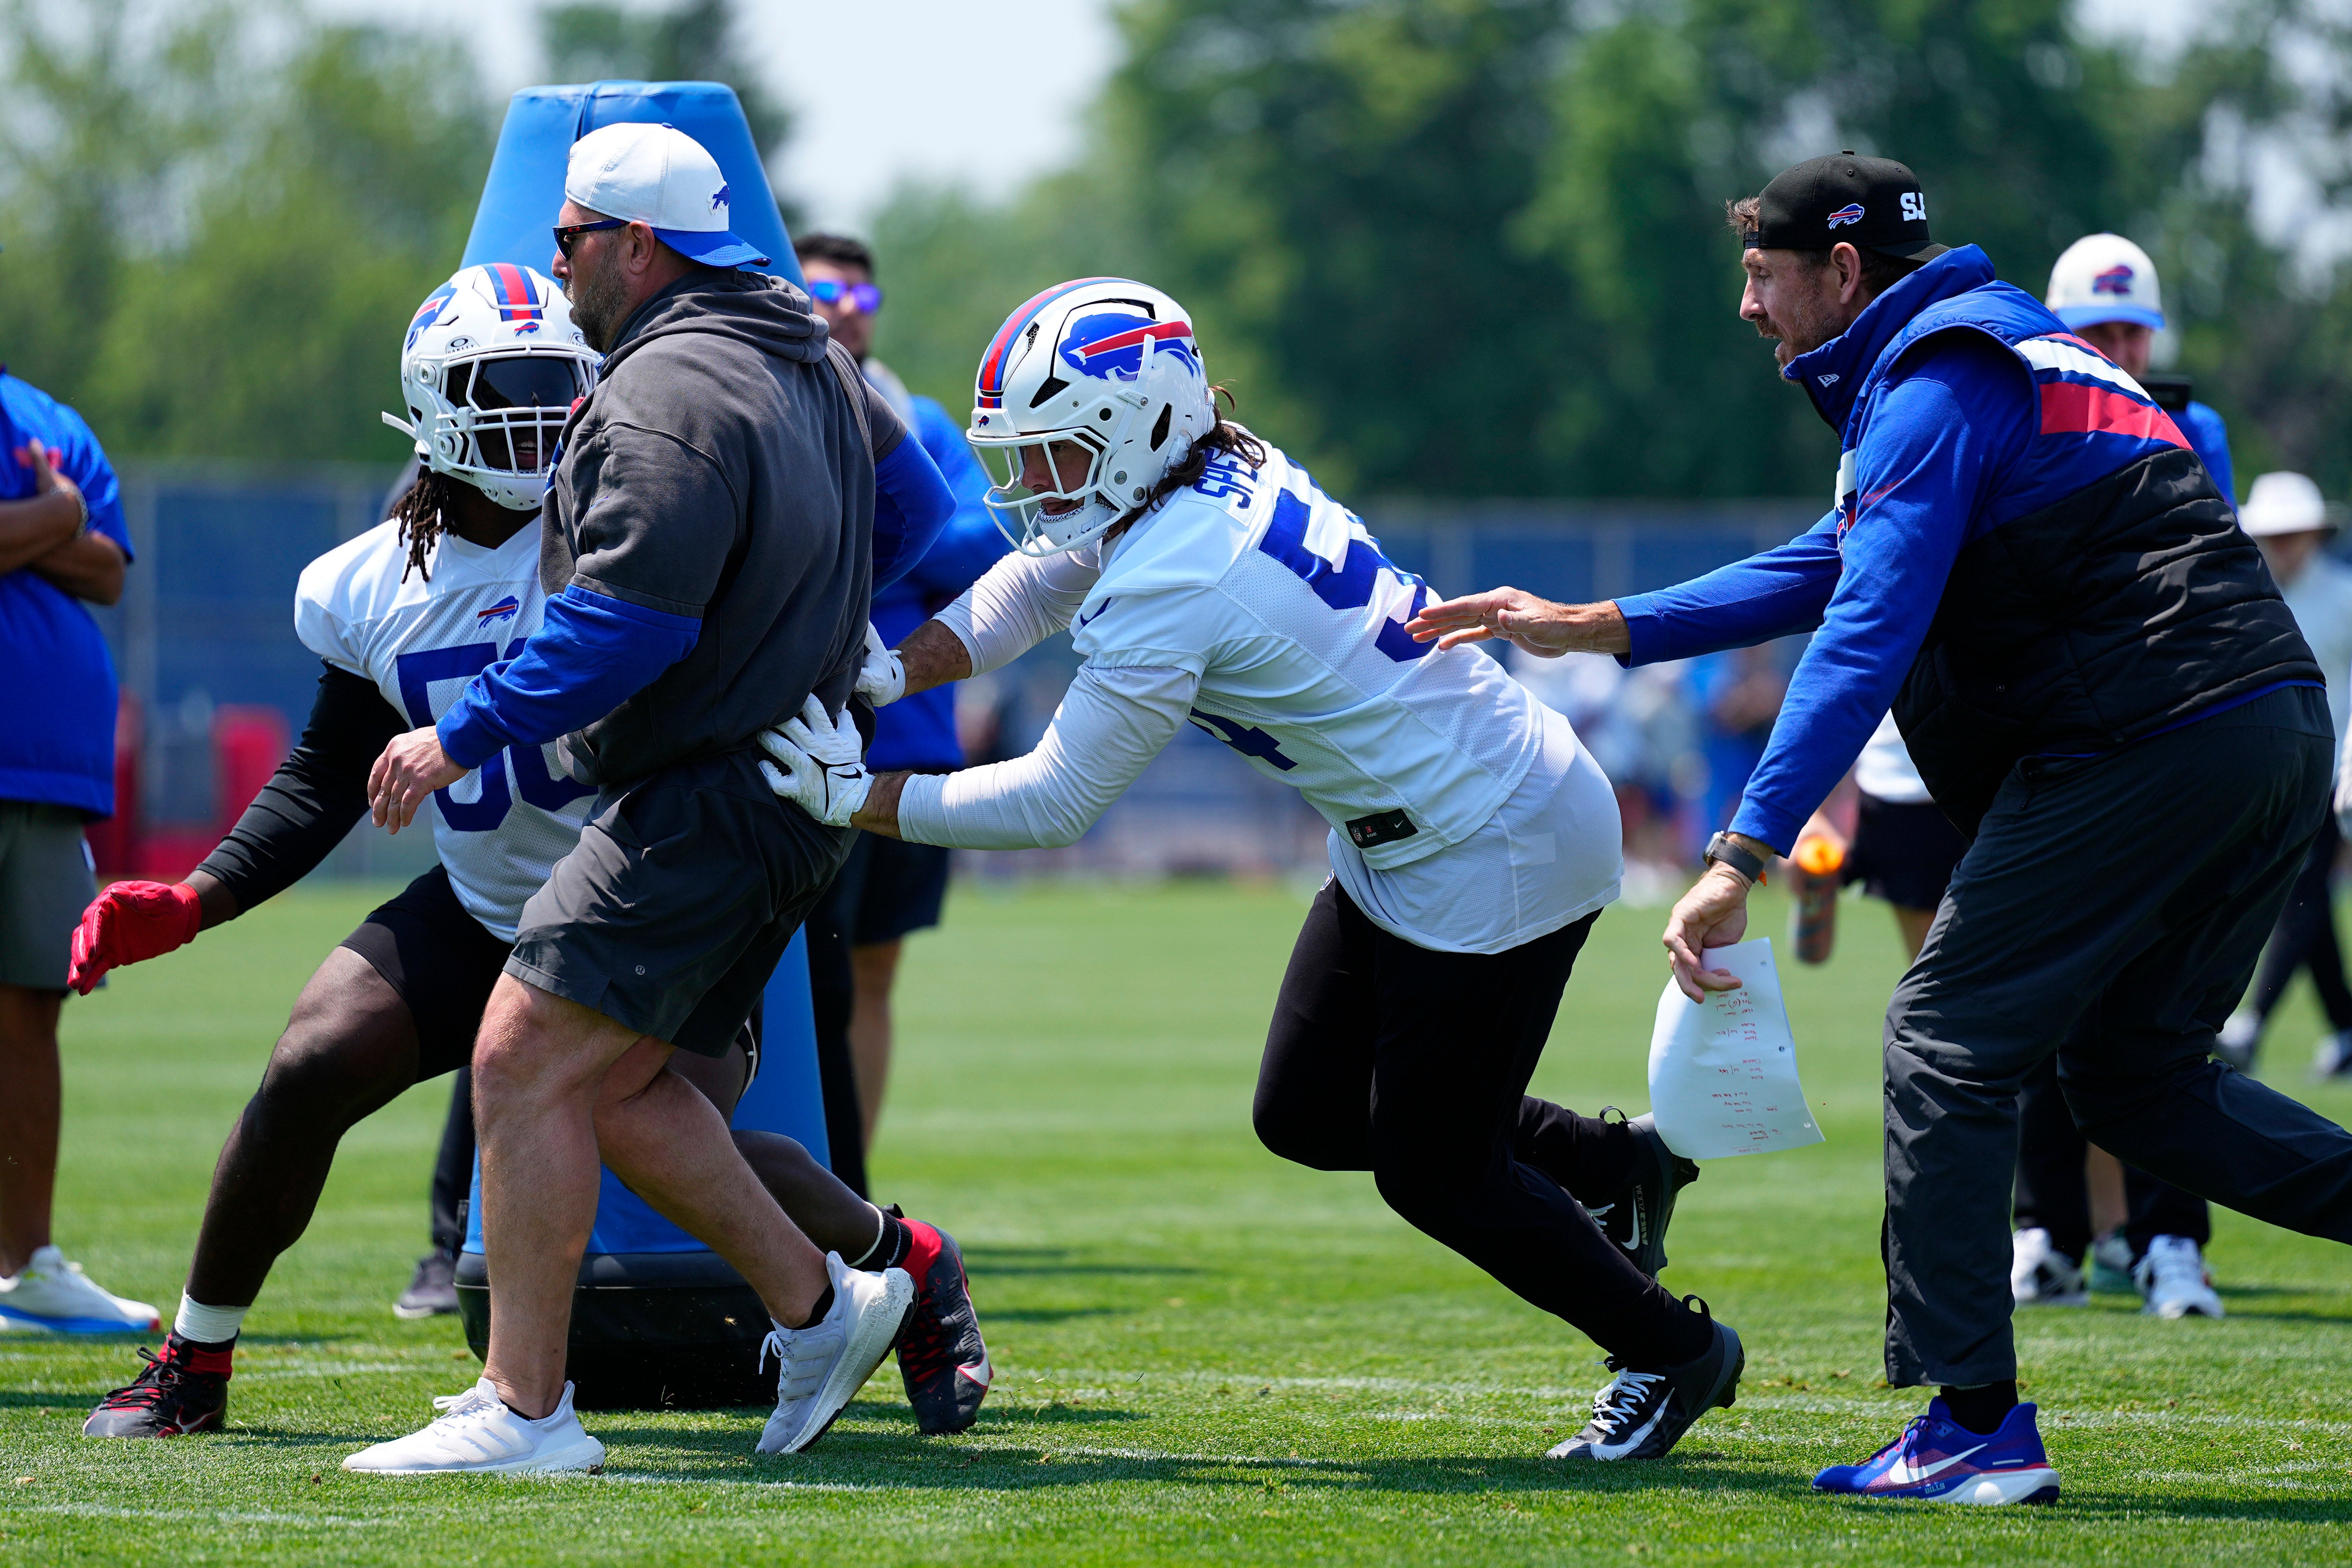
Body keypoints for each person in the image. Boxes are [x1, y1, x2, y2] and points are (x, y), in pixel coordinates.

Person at [1407, 153, 2352, 1506]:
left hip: (2147, 736)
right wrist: (1599, 625)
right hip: (2259, 730)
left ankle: (1975, 1421)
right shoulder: (1976, 356)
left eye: (1761, 271)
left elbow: (1864, 627)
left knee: (1943, 1037)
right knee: (2139, 1084)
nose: (1747, 304)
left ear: (1841, 271)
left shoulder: (1934, 378)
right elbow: (1830, 560)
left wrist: (1743, 852)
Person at [765, 276, 1743, 1465]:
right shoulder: (1203, 473)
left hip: (1494, 836)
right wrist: (881, 676)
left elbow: (1057, 795)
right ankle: (1617, 1163)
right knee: (1311, 1110)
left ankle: (1673, 1350)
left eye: (1061, 452)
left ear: (1135, 431)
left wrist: (850, 795)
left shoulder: (1180, 569)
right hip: (1418, 818)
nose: (1038, 483)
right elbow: (1042, 576)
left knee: (1439, 1169)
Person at [66, 263, 986, 1443]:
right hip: (489, 893)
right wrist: (198, 897)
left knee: (638, 1114)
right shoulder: (366, 580)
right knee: (308, 1065)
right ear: (431, 402)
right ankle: (193, 1359)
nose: (534, 408)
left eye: (558, 380)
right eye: (502, 382)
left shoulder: (642, 516)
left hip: (652, 889)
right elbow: (323, 771)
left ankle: (893, 1256)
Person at [351, 120, 964, 1475]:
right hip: (792, 788)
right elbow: (935, 526)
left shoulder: (662, 390)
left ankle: (525, 1408)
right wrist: (824, 632)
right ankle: (821, 1307)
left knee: (515, 1056)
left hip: (706, 790)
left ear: (636, 243)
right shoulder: (817, 355)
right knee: (623, 1085)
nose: (555, 261)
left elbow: (626, 626)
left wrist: (465, 731)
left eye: (568, 240)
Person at [794, 232, 1006, 1176]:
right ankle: (803, 1175)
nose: (843, 307)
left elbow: (981, 543)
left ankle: (851, 1181)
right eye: (822, 288)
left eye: (860, 295)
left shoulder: (914, 414)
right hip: (816, 733)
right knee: (811, 979)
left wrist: (881, 535)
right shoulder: (781, 401)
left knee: (875, 970)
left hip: (915, 735)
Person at [0, 364, 153, 1336]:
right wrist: (56, 514)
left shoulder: (50, 418)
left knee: (30, 1011)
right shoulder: (49, 454)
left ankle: (28, 1268)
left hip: (49, 771)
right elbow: (76, 536)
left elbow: (107, 568)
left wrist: (41, 524)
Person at [2219, 472, 2352, 1080]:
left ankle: (2252, 1024)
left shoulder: (2346, 594)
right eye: (2275, 536)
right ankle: (2347, 1027)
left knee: (2298, 884)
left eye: (2294, 534)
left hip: (2333, 771)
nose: (2286, 546)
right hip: (2271, 770)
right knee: (2305, 894)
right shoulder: (2248, 591)